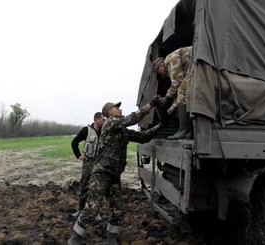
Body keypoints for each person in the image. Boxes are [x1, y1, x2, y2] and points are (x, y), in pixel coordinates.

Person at [68, 95, 163, 245]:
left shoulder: (121, 129)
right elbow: (132, 119)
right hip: (101, 173)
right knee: (92, 208)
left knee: (118, 208)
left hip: (114, 175)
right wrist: (150, 104)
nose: (121, 109)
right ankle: (75, 238)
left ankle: (111, 239)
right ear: (110, 112)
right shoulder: (111, 122)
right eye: (118, 108)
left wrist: (160, 126)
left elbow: (143, 137)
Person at [70, 112, 105, 220]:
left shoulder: (105, 130)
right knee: (84, 185)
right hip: (88, 162)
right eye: (102, 119)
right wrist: (79, 155)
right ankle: (80, 210)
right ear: (96, 119)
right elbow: (74, 142)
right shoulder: (86, 130)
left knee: (98, 187)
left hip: (100, 163)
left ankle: (96, 212)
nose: (104, 121)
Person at [153, 46, 193, 140]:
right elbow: (179, 96)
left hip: (198, 65)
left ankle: (183, 130)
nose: (162, 76)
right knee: (181, 92)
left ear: (160, 65)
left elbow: (177, 82)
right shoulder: (169, 64)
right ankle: (188, 132)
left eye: (159, 73)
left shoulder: (169, 59)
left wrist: (167, 98)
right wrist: (170, 110)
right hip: (194, 68)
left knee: (181, 91)